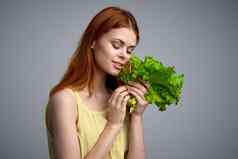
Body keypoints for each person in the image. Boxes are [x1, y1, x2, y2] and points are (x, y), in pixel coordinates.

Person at [45, 6, 149, 159]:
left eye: (129, 50)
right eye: (117, 45)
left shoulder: (120, 101)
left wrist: (137, 116)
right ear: (93, 41)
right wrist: (113, 125)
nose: (124, 56)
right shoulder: (65, 100)